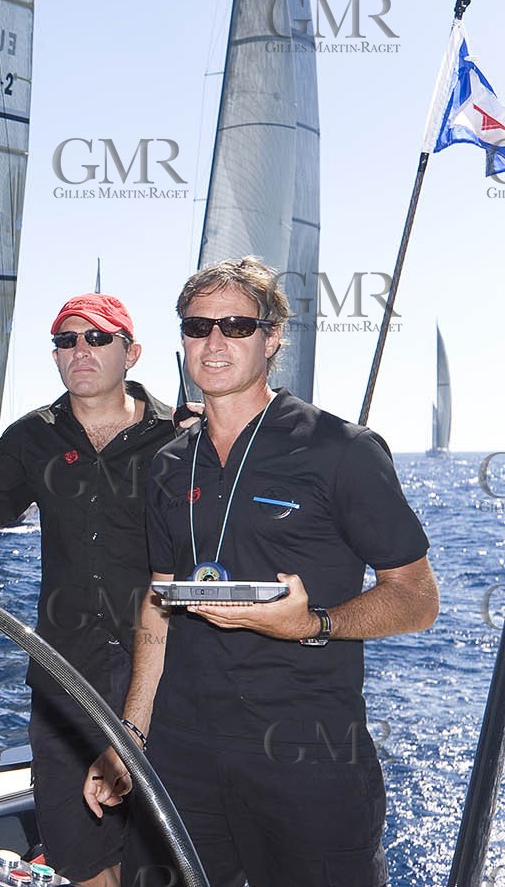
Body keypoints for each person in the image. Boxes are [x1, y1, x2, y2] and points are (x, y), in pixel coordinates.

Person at [84, 257, 439, 887]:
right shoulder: (168, 464)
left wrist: (314, 623)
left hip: (307, 756)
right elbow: (158, 603)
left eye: (237, 327)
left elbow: (416, 599)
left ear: (272, 339)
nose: (214, 342)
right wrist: (131, 731)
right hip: (183, 751)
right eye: (198, 327)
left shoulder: (342, 450)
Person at [0, 294, 176, 887]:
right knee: (74, 849)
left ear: (130, 352)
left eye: (97, 339)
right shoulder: (35, 437)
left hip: (163, 676)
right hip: (66, 673)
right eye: (66, 341)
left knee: (163, 852)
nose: (80, 350)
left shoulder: (179, 437)